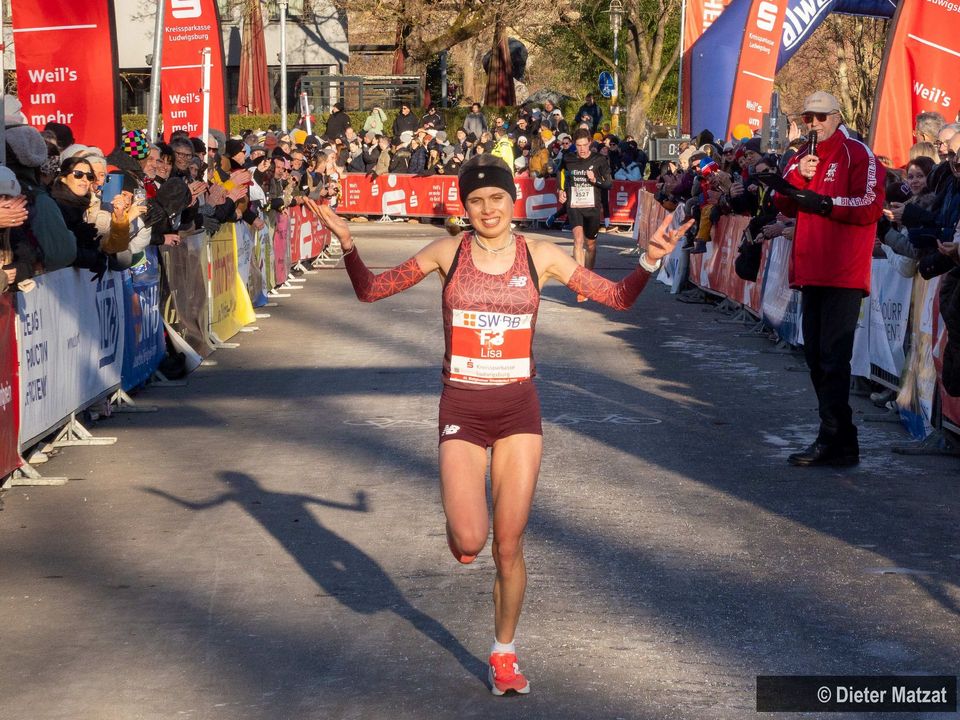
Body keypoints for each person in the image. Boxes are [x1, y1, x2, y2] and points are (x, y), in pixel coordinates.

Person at [315, 154, 691, 696]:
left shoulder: (542, 254)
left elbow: (618, 298)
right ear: (464, 207)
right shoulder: (449, 251)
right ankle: (459, 526)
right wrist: (347, 242)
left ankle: (504, 653)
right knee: (470, 541)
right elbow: (372, 290)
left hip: (518, 413)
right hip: (462, 412)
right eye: (476, 201)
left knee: (508, 546)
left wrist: (649, 262)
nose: (487, 209)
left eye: (496, 198)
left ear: (511, 201)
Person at [770, 91, 886, 467]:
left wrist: (824, 203)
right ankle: (842, 439)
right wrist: (795, 177)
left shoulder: (858, 153)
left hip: (843, 270)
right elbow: (783, 201)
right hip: (810, 268)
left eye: (820, 117)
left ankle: (831, 437)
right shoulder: (804, 156)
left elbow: (871, 206)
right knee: (815, 356)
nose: (814, 124)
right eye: (808, 118)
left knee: (833, 358)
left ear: (836, 116)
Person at [557, 129, 613, 296]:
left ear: (590, 143)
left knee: (590, 245)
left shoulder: (599, 160)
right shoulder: (568, 158)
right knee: (578, 241)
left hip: (593, 207)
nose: (581, 149)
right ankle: (582, 283)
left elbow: (609, 184)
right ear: (575, 144)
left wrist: (595, 180)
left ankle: (589, 277)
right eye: (578, 145)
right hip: (574, 205)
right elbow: (560, 173)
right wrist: (561, 190)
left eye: (584, 145)